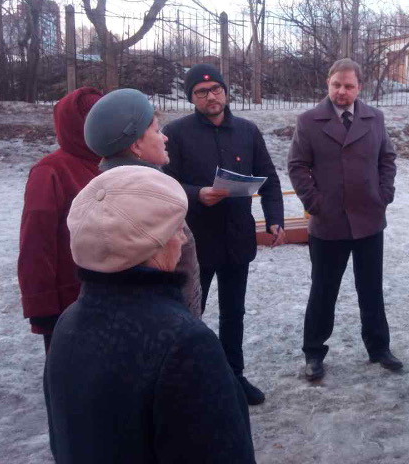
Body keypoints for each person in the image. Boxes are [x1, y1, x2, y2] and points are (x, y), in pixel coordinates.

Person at [44, 166, 255, 463]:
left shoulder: (69, 322)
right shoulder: (184, 343)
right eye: (176, 229)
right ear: (152, 244)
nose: (182, 240)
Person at [163, 63, 285, 406]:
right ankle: (188, 382)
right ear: (192, 98)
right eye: (201, 93)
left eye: (216, 89)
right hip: (194, 243)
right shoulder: (177, 133)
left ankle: (234, 376)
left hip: (236, 238)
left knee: (234, 312)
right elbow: (164, 184)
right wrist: (196, 194)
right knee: (189, 313)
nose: (211, 97)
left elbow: (269, 180)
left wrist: (274, 219)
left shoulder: (247, 131)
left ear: (226, 92)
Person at [288, 57, 400, 382]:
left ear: (359, 87)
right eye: (337, 85)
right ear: (328, 84)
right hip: (328, 222)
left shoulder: (374, 118)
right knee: (323, 289)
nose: (342, 91)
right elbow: (297, 165)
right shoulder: (309, 121)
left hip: (369, 219)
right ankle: (313, 352)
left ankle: (379, 348)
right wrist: (315, 202)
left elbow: (387, 157)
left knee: (371, 289)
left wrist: (384, 193)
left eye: (349, 86)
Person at [83, 88, 202, 317]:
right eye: (157, 131)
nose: (165, 137)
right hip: (168, 330)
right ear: (136, 146)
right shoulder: (150, 202)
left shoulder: (106, 191)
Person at [17, 87, 102, 353]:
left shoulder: (115, 162)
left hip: (115, 297)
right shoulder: (50, 170)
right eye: (91, 118)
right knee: (66, 382)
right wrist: (40, 303)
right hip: (69, 303)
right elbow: (36, 243)